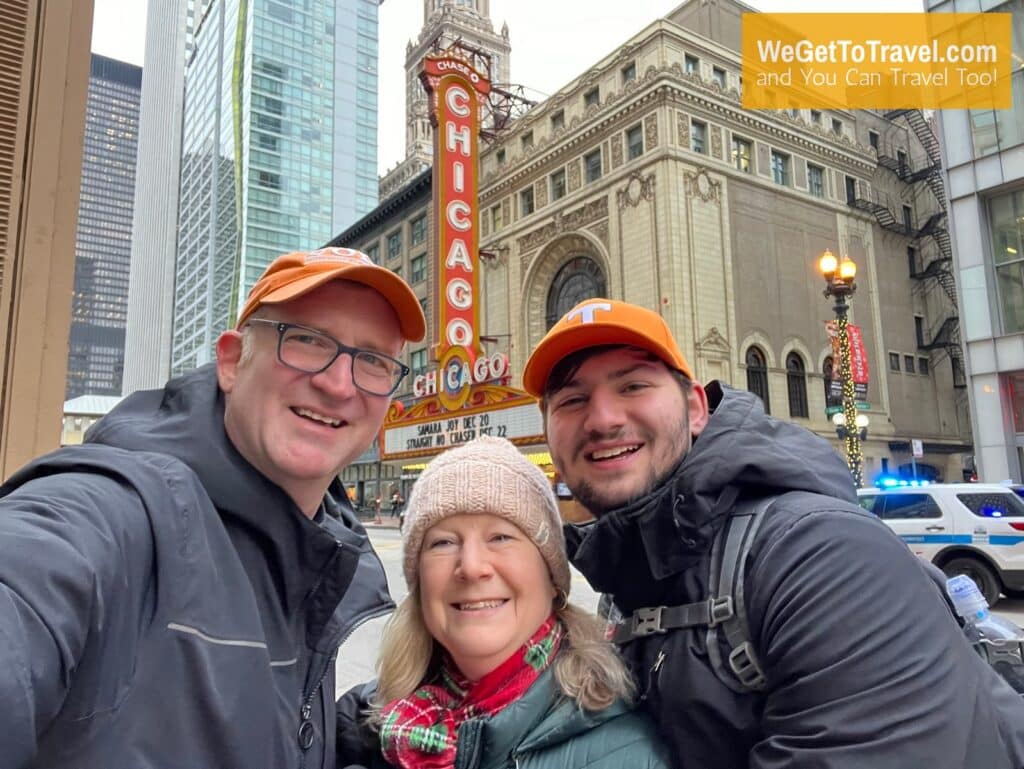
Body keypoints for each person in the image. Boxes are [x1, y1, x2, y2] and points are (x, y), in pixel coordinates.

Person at [521, 298, 1024, 769]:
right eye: (572, 400)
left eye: (632, 386)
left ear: (697, 408)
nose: (603, 419)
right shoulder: (631, 575)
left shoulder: (821, 556)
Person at [0, 247, 425, 768]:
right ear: (230, 361)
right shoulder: (111, 513)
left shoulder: (318, 554)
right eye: (308, 341)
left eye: (373, 361)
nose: (338, 385)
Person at [338, 435, 671, 769]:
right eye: (442, 542)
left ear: (551, 578)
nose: (470, 567)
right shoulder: (361, 725)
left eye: (500, 537)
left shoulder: (629, 754)